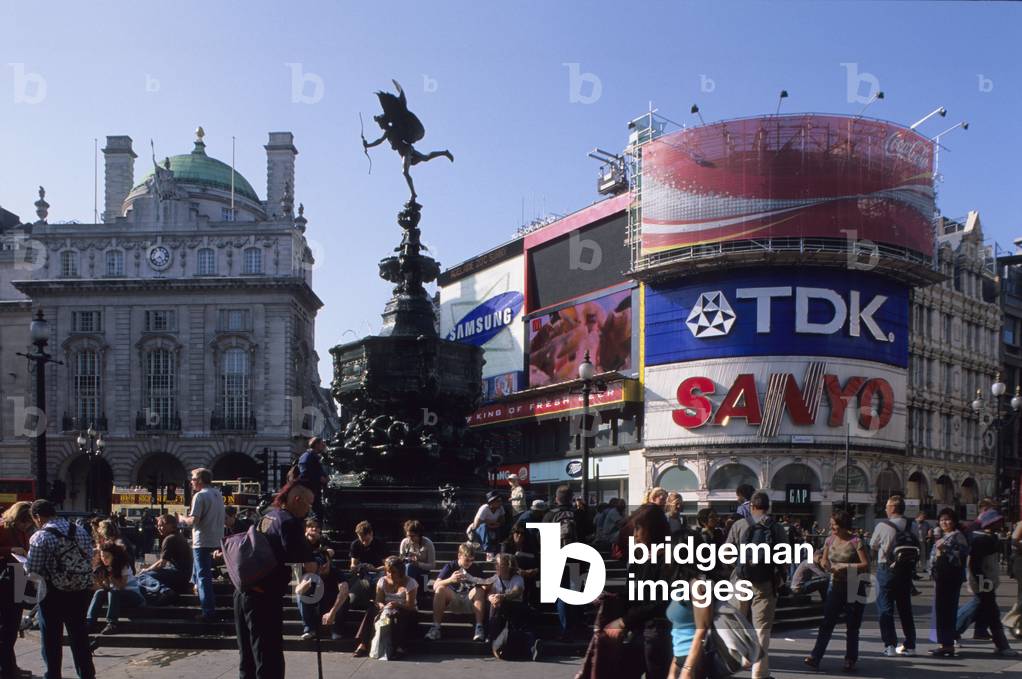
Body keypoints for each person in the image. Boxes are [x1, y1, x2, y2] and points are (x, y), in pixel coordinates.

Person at [234, 481, 317, 679]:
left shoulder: (267, 516)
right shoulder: (289, 522)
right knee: (268, 657)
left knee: (248, 657)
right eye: (309, 504)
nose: (310, 510)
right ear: (297, 500)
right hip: (264, 598)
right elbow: (306, 562)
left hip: (244, 593)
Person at [25, 499, 95, 679]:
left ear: (38, 517)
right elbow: (89, 558)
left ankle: (53, 674)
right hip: (80, 590)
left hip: (52, 592)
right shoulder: (79, 531)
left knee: (51, 638)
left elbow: (33, 569)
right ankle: (87, 674)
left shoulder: (40, 537)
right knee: (79, 635)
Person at [601, 504, 673, 679]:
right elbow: (634, 592)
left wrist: (624, 621)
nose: (636, 535)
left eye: (639, 529)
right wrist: (613, 597)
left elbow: (660, 602)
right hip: (640, 630)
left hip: (658, 631)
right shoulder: (640, 558)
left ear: (654, 529)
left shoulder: (669, 559)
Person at [726, 490, 787, 679]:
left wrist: (738, 564)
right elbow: (783, 557)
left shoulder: (739, 524)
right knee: (762, 628)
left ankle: (743, 656)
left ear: (751, 506)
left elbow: (726, 554)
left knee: (738, 620)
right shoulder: (776, 527)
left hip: (740, 579)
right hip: (765, 581)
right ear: (768, 507)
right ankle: (759, 673)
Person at [803, 510, 869, 672]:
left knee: (852, 625)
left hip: (854, 584)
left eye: (833, 525)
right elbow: (824, 559)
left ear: (842, 525)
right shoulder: (830, 540)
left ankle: (850, 658)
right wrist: (823, 563)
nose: (831, 527)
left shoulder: (856, 541)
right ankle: (815, 656)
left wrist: (845, 566)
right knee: (827, 622)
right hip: (836, 584)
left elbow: (865, 565)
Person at [870, 494, 919, 656]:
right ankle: (910, 644)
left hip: (886, 568)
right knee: (905, 608)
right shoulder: (912, 525)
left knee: (885, 607)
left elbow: (873, 545)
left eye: (886, 506)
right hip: (905, 570)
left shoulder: (882, 525)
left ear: (892, 508)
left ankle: (890, 645)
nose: (885, 509)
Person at [178, 468, 225, 622]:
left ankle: (208, 611)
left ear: (199, 480)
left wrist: (182, 519)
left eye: (192, 478)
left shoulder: (199, 496)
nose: (191, 481)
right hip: (217, 539)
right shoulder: (218, 494)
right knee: (201, 573)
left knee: (204, 576)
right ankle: (195, 585)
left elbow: (194, 521)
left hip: (202, 541)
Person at [968, 509, 1016, 656]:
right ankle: (1002, 645)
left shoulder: (987, 537)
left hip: (986, 581)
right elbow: (975, 564)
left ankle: (950, 634)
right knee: (993, 614)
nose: (1000, 524)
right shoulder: (982, 539)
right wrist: (983, 581)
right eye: (997, 521)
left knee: (974, 610)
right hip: (984, 581)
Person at [352, 556, 418, 659]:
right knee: (371, 610)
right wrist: (381, 605)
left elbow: (410, 605)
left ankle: (400, 647)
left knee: (399, 615)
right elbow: (379, 600)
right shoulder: (382, 581)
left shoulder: (410, 583)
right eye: (388, 571)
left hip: (405, 610)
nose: (390, 574)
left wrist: (397, 605)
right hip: (387, 609)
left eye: (393, 572)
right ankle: (363, 644)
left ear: (400, 571)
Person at [295, 518, 348, 641]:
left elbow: (344, 590)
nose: (323, 566)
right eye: (311, 527)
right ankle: (309, 628)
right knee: (300, 594)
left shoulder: (334, 569)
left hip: (330, 599)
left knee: (344, 597)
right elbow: (297, 591)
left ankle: (337, 628)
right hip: (316, 596)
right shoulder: (310, 568)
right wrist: (304, 585)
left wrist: (332, 612)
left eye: (316, 527)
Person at [425, 542, 488, 642]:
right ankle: (436, 628)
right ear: (459, 555)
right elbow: (435, 585)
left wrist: (479, 582)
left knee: (479, 590)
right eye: (467, 560)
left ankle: (479, 628)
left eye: (472, 560)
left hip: (469, 600)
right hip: (453, 599)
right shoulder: (450, 566)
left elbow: (486, 584)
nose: (469, 563)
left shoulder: (476, 568)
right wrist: (450, 580)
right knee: (440, 589)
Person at [927, 507, 969, 656]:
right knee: (941, 610)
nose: (944, 522)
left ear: (954, 521)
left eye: (947, 519)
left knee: (946, 610)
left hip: (950, 577)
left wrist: (945, 550)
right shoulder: (943, 536)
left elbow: (961, 557)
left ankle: (947, 643)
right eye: (942, 520)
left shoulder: (957, 536)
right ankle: (945, 643)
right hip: (941, 576)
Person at [0, 502, 32, 679]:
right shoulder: (3, 529)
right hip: (5, 581)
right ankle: (7, 669)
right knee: (6, 627)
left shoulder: (22, 531)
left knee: (13, 626)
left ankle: (11, 666)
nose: (26, 526)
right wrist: (10, 550)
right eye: (24, 522)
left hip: (19, 579)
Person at [86, 542, 145, 634]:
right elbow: (108, 588)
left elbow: (121, 587)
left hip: (134, 596)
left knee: (113, 592)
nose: (104, 559)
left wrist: (110, 575)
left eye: (107, 556)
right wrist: (100, 583)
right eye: (102, 556)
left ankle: (112, 623)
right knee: (99, 592)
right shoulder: (104, 567)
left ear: (114, 556)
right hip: (117, 596)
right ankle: (90, 622)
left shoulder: (124, 566)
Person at [136, 513, 192, 594]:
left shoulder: (169, 539)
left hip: (178, 576)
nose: (158, 528)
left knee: (143, 576)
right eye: (158, 526)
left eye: (161, 525)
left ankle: (164, 591)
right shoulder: (179, 536)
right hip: (184, 576)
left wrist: (146, 570)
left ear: (170, 525)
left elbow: (162, 563)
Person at [485, 553, 528, 642]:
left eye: (498, 564)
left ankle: (493, 636)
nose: (496, 566)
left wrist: (503, 596)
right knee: (495, 604)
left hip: (514, 608)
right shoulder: (495, 578)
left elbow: (516, 591)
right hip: (499, 610)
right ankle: (492, 635)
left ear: (508, 566)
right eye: (495, 564)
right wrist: (491, 598)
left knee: (498, 604)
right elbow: (490, 592)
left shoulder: (517, 578)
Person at [348, 521, 388, 608]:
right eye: (361, 539)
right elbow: (353, 565)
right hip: (363, 573)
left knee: (379, 580)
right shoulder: (355, 544)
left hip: (379, 571)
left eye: (366, 539)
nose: (364, 542)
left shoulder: (380, 544)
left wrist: (375, 569)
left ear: (371, 534)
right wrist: (360, 566)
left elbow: (388, 566)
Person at [398, 520, 435, 600]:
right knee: (407, 566)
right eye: (408, 536)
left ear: (419, 534)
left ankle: (407, 594)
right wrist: (405, 559)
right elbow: (400, 560)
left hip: (423, 572)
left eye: (412, 536)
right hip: (406, 570)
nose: (410, 538)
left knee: (410, 567)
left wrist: (418, 564)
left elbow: (432, 565)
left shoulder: (428, 544)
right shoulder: (405, 542)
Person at [467, 491, 505, 560]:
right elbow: (476, 524)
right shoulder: (484, 508)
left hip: (494, 528)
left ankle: (498, 548)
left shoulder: (501, 508)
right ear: (492, 502)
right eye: (498, 501)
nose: (500, 502)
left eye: (500, 500)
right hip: (479, 530)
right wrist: (488, 523)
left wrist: (496, 524)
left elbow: (502, 521)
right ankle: (488, 551)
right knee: (484, 526)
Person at [297, 437, 329, 517]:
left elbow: (318, 471)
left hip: (314, 491)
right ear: (316, 445)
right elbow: (304, 473)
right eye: (322, 444)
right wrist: (320, 478)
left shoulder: (315, 456)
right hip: (308, 491)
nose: (324, 446)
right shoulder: (307, 456)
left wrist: (325, 477)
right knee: (316, 514)